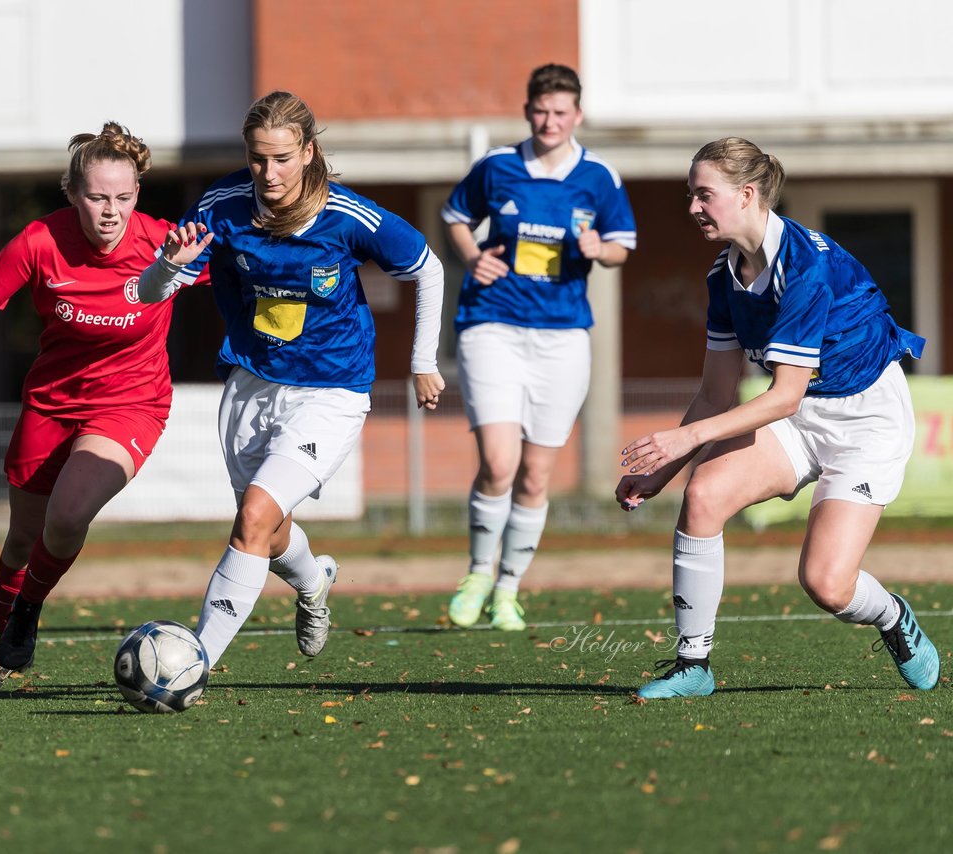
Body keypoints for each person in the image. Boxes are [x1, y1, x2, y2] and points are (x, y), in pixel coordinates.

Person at [616, 137, 939, 699]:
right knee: (703, 496)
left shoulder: (806, 264)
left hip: (866, 420)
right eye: (690, 195)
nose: (692, 208)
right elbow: (717, 393)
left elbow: (783, 395)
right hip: (800, 414)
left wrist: (684, 439)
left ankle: (892, 618)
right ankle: (693, 666)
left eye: (703, 195)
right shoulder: (723, 276)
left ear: (745, 195)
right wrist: (664, 469)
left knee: (826, 583)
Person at [138, 90, 445, 670]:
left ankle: (191, 666)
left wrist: (423, 360)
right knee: (267, 532)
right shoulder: (222, 205)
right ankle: (314, 578)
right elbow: (153, 294)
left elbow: (428, 268)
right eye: (258, 158)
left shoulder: (347, 216)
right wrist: (168, 266)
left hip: (331, 391)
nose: (268, 172)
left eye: (281, 158)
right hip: (251, 386)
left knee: (253, 516)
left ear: (307, 152)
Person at [0, 122, 205, 691]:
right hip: (50, 403)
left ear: (137, 194)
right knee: (23, 539)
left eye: (123, 197)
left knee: (67, 517)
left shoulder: (167, 243)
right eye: (96, 197)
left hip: (130, 405)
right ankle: (6, 655)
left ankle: (24, 619)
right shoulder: (41, 240)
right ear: (72, 194)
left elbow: (243, 269)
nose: (110, 211)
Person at [441, 64, 637, 631]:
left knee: (534, 475)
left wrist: (601, 248)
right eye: (541, 111)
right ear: (528, 111)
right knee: (499, 463)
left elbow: (623, 246)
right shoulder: (497, 166)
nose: (550, 122)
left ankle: (508, 589)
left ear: (578, 115)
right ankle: (479, 571)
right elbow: (455, 217)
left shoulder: (600, 177)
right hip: (492, 324)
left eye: (561, 112)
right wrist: (472, 256)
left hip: (563, 336)